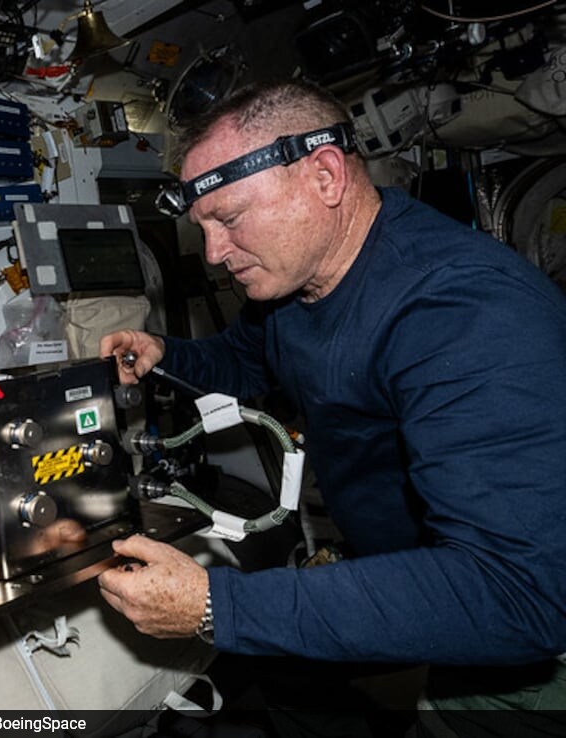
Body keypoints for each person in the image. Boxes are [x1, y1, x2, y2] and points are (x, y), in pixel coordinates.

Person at [97, 80, 566, 732]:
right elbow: (246, 359)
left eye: (229, 219)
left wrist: (217, 606)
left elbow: (518, 597)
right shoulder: (293, 286)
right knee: (290, 678)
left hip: (517, 624)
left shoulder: (464, 314)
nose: (214, 254)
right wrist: (164, 353)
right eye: (202, 228)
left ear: (324, 176)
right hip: (399, 559)